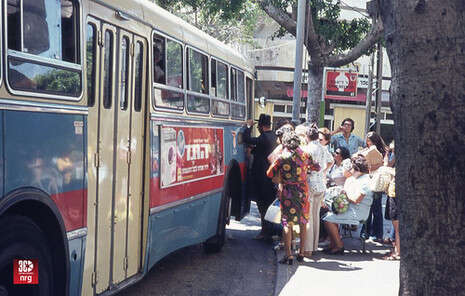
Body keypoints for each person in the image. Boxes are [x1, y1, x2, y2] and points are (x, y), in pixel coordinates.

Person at [266, 131, 311, 264]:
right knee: (303, 221)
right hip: (303, 191)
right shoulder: (305, 155)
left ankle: (289, 255)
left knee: (287, 222)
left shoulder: (282, 157)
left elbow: (269, 173)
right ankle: (301, 253)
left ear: (285, 143)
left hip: (288, 192)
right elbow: (317, 167)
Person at [323, 155, 373, 254]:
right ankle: (334, 244)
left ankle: (338, 246)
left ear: (357, 169)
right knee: (328, 214)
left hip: (358, 211)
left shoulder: (365, 182)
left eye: (352, 168)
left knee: (328, 219)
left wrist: (345, 195)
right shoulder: (358, 178)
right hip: (352, 208)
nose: (350, 170)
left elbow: (356, 200)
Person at [243, 114, 278, 240]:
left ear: (260, 126)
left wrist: (248, 126)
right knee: (269, 205)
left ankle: (265, 231)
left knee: (262, 205)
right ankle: (269, 230)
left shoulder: (263, 137)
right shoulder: (274, 136)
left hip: (262, 176)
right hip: (271, 176)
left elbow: (247, 139)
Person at [297, 123, 326, 258]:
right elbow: (328, 163)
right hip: (321, 184)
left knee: (308, 217)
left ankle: (307, 248)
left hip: (309, 184)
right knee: (315, 216)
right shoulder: (323, 148)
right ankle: (314, 246)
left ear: (307, 136)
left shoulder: (306, 149)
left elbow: (303, 167)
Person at [360, 131, 387, 241]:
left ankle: (377, 234)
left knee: (376, 208)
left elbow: (383, 165)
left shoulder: (383, 151)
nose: (368, 143)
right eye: (367, 141)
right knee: (367, 207)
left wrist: (371, 167)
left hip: (377, 182)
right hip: (368, 181)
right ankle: (365, 232)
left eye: (370, 141)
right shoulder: (366, 150)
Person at [383, 141, 400, 260]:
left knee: (397, 224)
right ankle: (396, 249)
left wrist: (387, 156)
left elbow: (387, 166)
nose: (391, 154)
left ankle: (398, 252)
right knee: (395, 225)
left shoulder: (397, 164)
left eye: (393, 152)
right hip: (391, 192)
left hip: (394, 193)